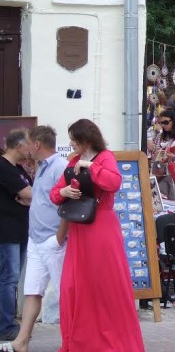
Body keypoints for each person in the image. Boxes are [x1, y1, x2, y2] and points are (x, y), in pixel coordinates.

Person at [49, 119, 144, 351]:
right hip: (79, 228)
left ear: (87, 139)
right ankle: (80, 339)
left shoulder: (105, 157)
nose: (71, 143)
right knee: (74, 285)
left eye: (74, 139)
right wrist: (64, 191)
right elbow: (54, 194)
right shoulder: (71, 161)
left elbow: (113, 182)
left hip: (101, 227)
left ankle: (109, 340)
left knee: (104, 283)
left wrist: (91, 167)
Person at [2, 127, 68, 352]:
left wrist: (59, 238)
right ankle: (21, 341)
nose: (27, 147)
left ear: (37, 145)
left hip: (51, 239)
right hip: (35, 239)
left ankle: (71, 342)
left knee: (64, 293)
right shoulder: (41, 167)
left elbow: (68, 203)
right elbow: (41, 197)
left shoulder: (59, 166)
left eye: (29, 142)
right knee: (32, 290)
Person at [0, 129, 32, 342]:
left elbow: (31, 192)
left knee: (12, 279)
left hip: (20, 230)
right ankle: (6, 326)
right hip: (6, 231)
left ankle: (7, 323)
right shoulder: (3, 167)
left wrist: (28, 196)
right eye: (28, 144)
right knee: (8, 279)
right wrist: (27, 195)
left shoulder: (18, 168)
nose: (31, 148)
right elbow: (30, 193)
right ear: (19, 146)